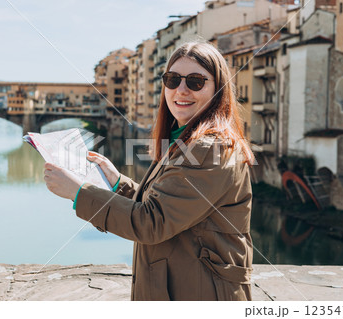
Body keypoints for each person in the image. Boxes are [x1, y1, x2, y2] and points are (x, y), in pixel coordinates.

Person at [44, 41, 255, 301]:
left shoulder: (209, 148)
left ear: (218, 88)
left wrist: (78, 193)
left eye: (196, 82)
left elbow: (151, 223)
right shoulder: (183, 139)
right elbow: (166, 205)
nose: (181, 90)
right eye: (173, 79)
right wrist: (117, 181)